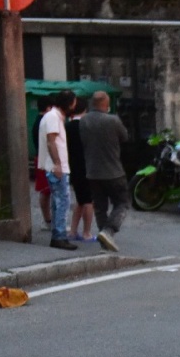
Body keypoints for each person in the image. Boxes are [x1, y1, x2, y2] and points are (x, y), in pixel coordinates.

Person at [80, 90, 131, 252]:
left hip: (92, 171)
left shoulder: (84, 121)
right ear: (106, 105)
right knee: (122, 202)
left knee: (100, 207)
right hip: (113, 170)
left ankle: (104, 238)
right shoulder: (113, 120)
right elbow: (125, 137)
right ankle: (109, 231)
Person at [38, 90, 76, 250]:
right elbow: (51, 142)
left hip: (54, 166)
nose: (75, 105)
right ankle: (59, 236)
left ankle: (58, 234)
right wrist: (58, 164)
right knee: (62, 201)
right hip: (57, 168)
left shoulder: (52, 116)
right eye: (73, 102)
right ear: (68, 104)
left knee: (58, 201)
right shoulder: (53, 117)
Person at [65, 95, 96, 242]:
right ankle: (87, 232)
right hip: (88, 166)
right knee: (88, 201)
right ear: (85, 109)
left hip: (73, 165)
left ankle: (72, 230)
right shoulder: (88, 126)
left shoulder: (68, 127)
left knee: (80, 199)